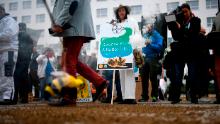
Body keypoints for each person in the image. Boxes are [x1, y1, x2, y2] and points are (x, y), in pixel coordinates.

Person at [50, 0, 106, 105]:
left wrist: (59, 23)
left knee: (69, 60)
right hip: (72, 27)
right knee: (72, 60)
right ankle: (99, 82)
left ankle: (70, 96)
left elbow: (72, 4)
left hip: (74, 26)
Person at [168, 3, 201, 104]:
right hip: (180, 51)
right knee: (178, 75)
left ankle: (194, 96)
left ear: (190, 11)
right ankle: (176, 97)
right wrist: (176, 15)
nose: (185, 14)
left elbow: (193, 33)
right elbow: (176, 36)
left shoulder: (196, 20)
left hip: (191, 51)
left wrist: (181, 28)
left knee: (192, 74)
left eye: (186, 11)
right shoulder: (178, 21)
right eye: (183, 12)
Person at [112, 5, 140, 104]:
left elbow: (137, 34)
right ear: (117, 13)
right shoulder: (115, 24)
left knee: (129, 74)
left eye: (123, 10)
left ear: (126, 11)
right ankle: (125, 97)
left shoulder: (132, 21)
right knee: (122, 74)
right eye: (119, 11)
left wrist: (137, 49)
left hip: (130, 51)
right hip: (120, 53)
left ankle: (130, 97)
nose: (121, 12)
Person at [139, 24, 163, 102]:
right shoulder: (144, 35)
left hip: (153, 58)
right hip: (143, 58)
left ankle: (154, 96)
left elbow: (159, 48)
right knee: (144, 78)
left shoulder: (157, 36)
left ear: (152, 26)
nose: (146, 27)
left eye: (148, 26)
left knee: (153, 78)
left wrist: (150, 44)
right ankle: (144, 96)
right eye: (146, 26)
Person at [0, 5, 19, 105]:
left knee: (7, 74)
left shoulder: (10, 20)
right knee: (2, 75)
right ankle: (3, 97)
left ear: (1, 11)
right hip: (2, 51)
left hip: (9, 51)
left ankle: (8, 97)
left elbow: (9, 34)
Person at [13, 23, 34, 104]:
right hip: (26, 60)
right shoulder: (29, 37)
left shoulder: (18, 35)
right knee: (24, 79)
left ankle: (14, 98)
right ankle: (24, 98)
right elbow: (31, 49)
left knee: (16, 78)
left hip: (19, 59)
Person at [211, 10, 220, 104]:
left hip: (217, 47)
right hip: (217, 48)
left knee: (218, 72)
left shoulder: (216, 18)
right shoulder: (217, 17)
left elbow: (213, 33)